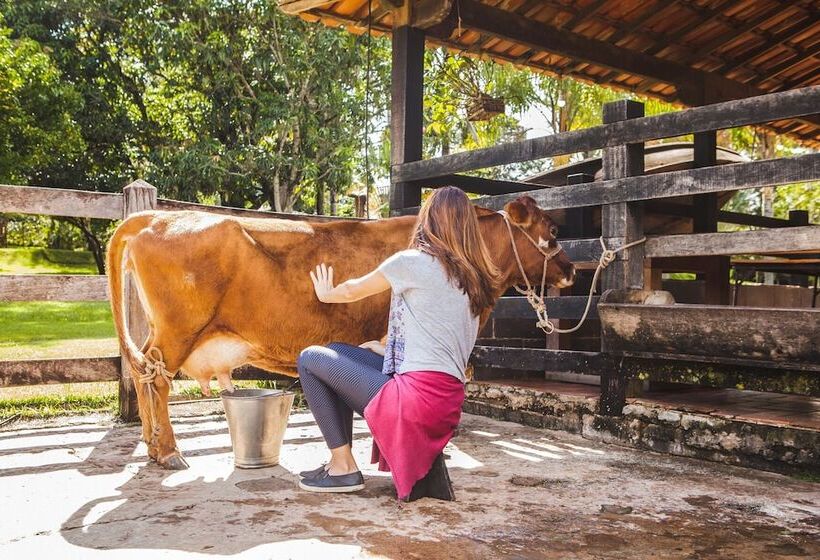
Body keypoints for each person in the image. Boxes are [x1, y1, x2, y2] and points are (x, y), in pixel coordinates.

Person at [296, 186, 500, 499]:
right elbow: (438, 330)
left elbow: (353, 290)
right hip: (446, 402)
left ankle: (342, 467)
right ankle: (341, 462)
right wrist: (385, 350)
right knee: (335, 352)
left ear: (428, 220)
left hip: (415, 400)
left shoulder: (413, 262)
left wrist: (327, 294)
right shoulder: (476, 278)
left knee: (310, 359)